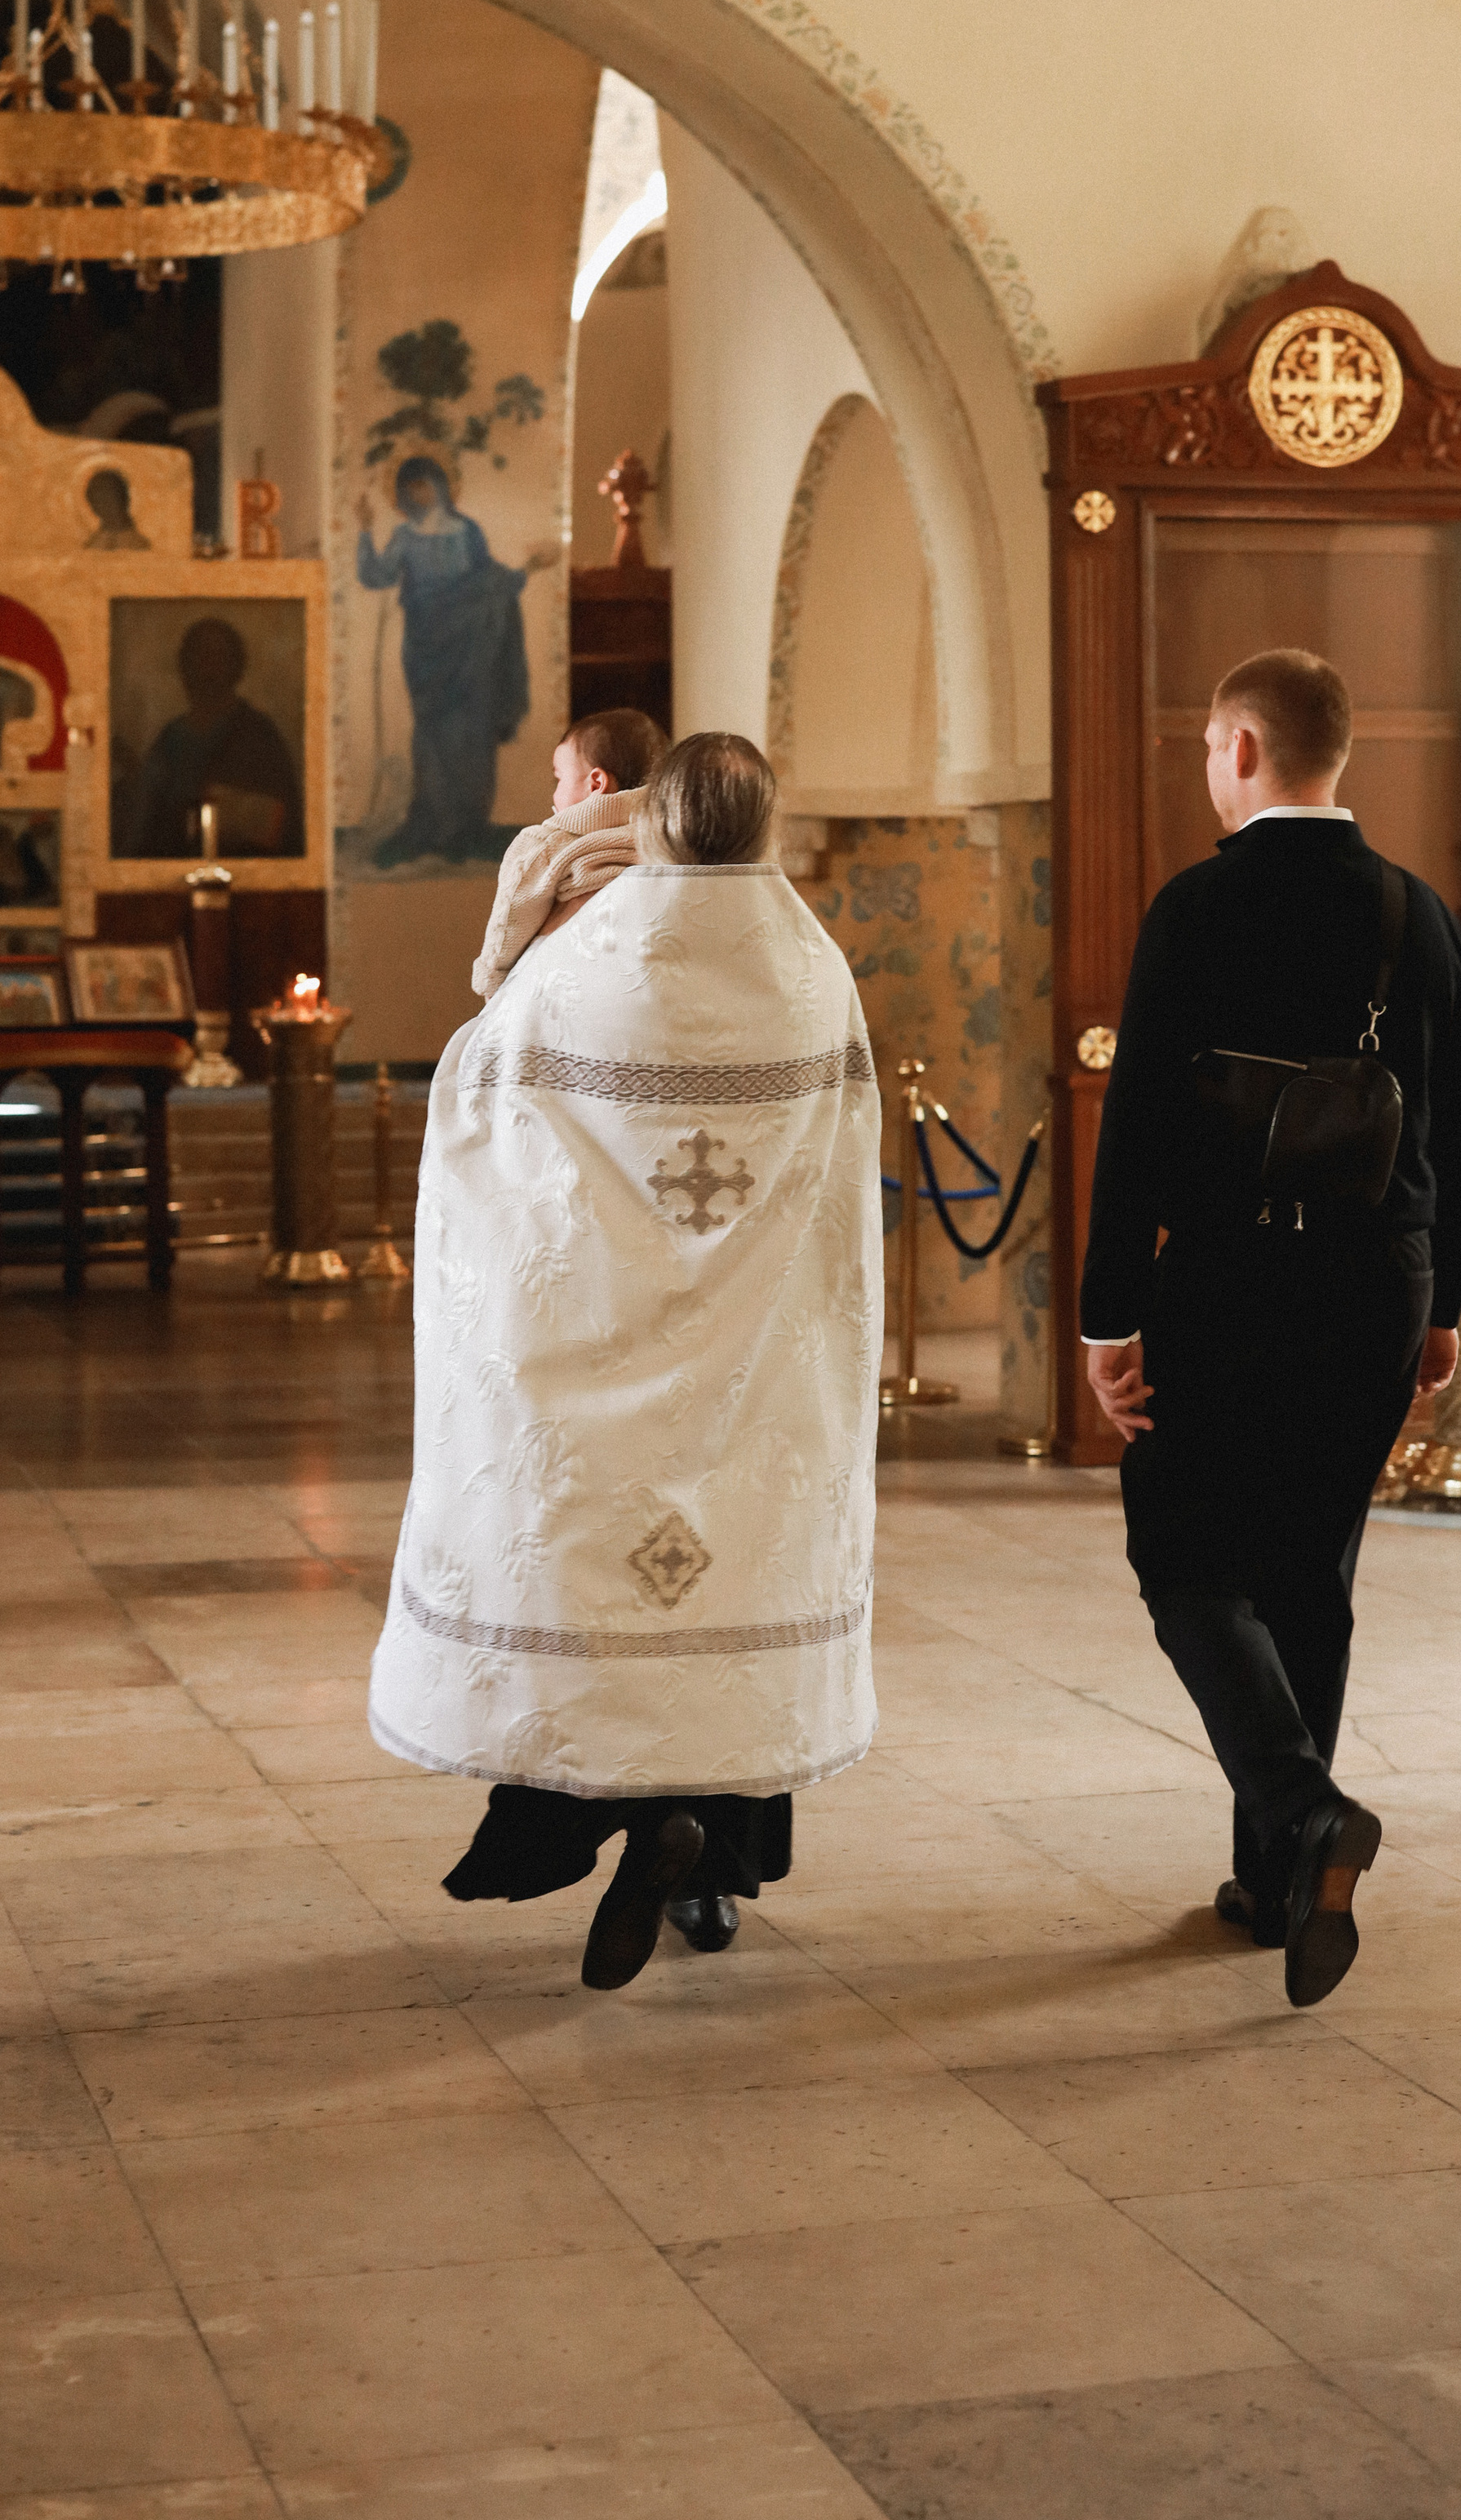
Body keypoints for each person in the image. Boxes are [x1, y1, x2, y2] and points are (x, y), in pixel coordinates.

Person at [369, 730, 883, 1989]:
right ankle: (709, 1873)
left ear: (656, 819)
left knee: (600, 1586)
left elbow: (478, 1099)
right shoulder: (812, 968)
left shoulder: (579, 963)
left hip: (606, 1349)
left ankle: (635, 1819)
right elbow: (846, 1149)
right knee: (738, 1579)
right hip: (757, 1361)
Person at [1081, 649, 1461, 2009]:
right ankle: (1276, 1888)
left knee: (1184, 1556)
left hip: (1228, 1286)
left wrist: (1105, 1318)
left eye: (1211, 747)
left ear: (1244, 751)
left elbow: (1134, 1124)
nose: (1209, 767)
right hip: (1378, 1287)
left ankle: (1305, 1814)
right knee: (1310, 1570)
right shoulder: (1416, 913)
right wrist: (1443, 1305)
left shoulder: (1196, 908)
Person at [356, 455, 557, 869]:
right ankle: (431, 823)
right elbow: (376, 576)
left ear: (442, 487)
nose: (420, 494)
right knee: (431, 735)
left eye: (426, 484)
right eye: (410, 488)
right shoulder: (405, 537)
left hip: (472, 651)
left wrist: (529, 569)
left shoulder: (467, 532)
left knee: (473, 736)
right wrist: (363, 530)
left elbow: (491, 583)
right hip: (427, 652)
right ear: (402, 495)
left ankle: (468, 827)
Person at [469, 704, 667, 1001]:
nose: (554, 792)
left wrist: (491, 981)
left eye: (558, 779)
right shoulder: (666, 841)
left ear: (596, 784)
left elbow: (511, 919)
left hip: (562, 991)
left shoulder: (544, 846)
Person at [118, 616, 301, 858]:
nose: (207, 665)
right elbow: (146, 824)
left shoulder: (258, 734)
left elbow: (282, 823)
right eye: (199, 656)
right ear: (185, 665)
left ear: (235, 666)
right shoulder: (171, 737)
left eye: (217, 656)